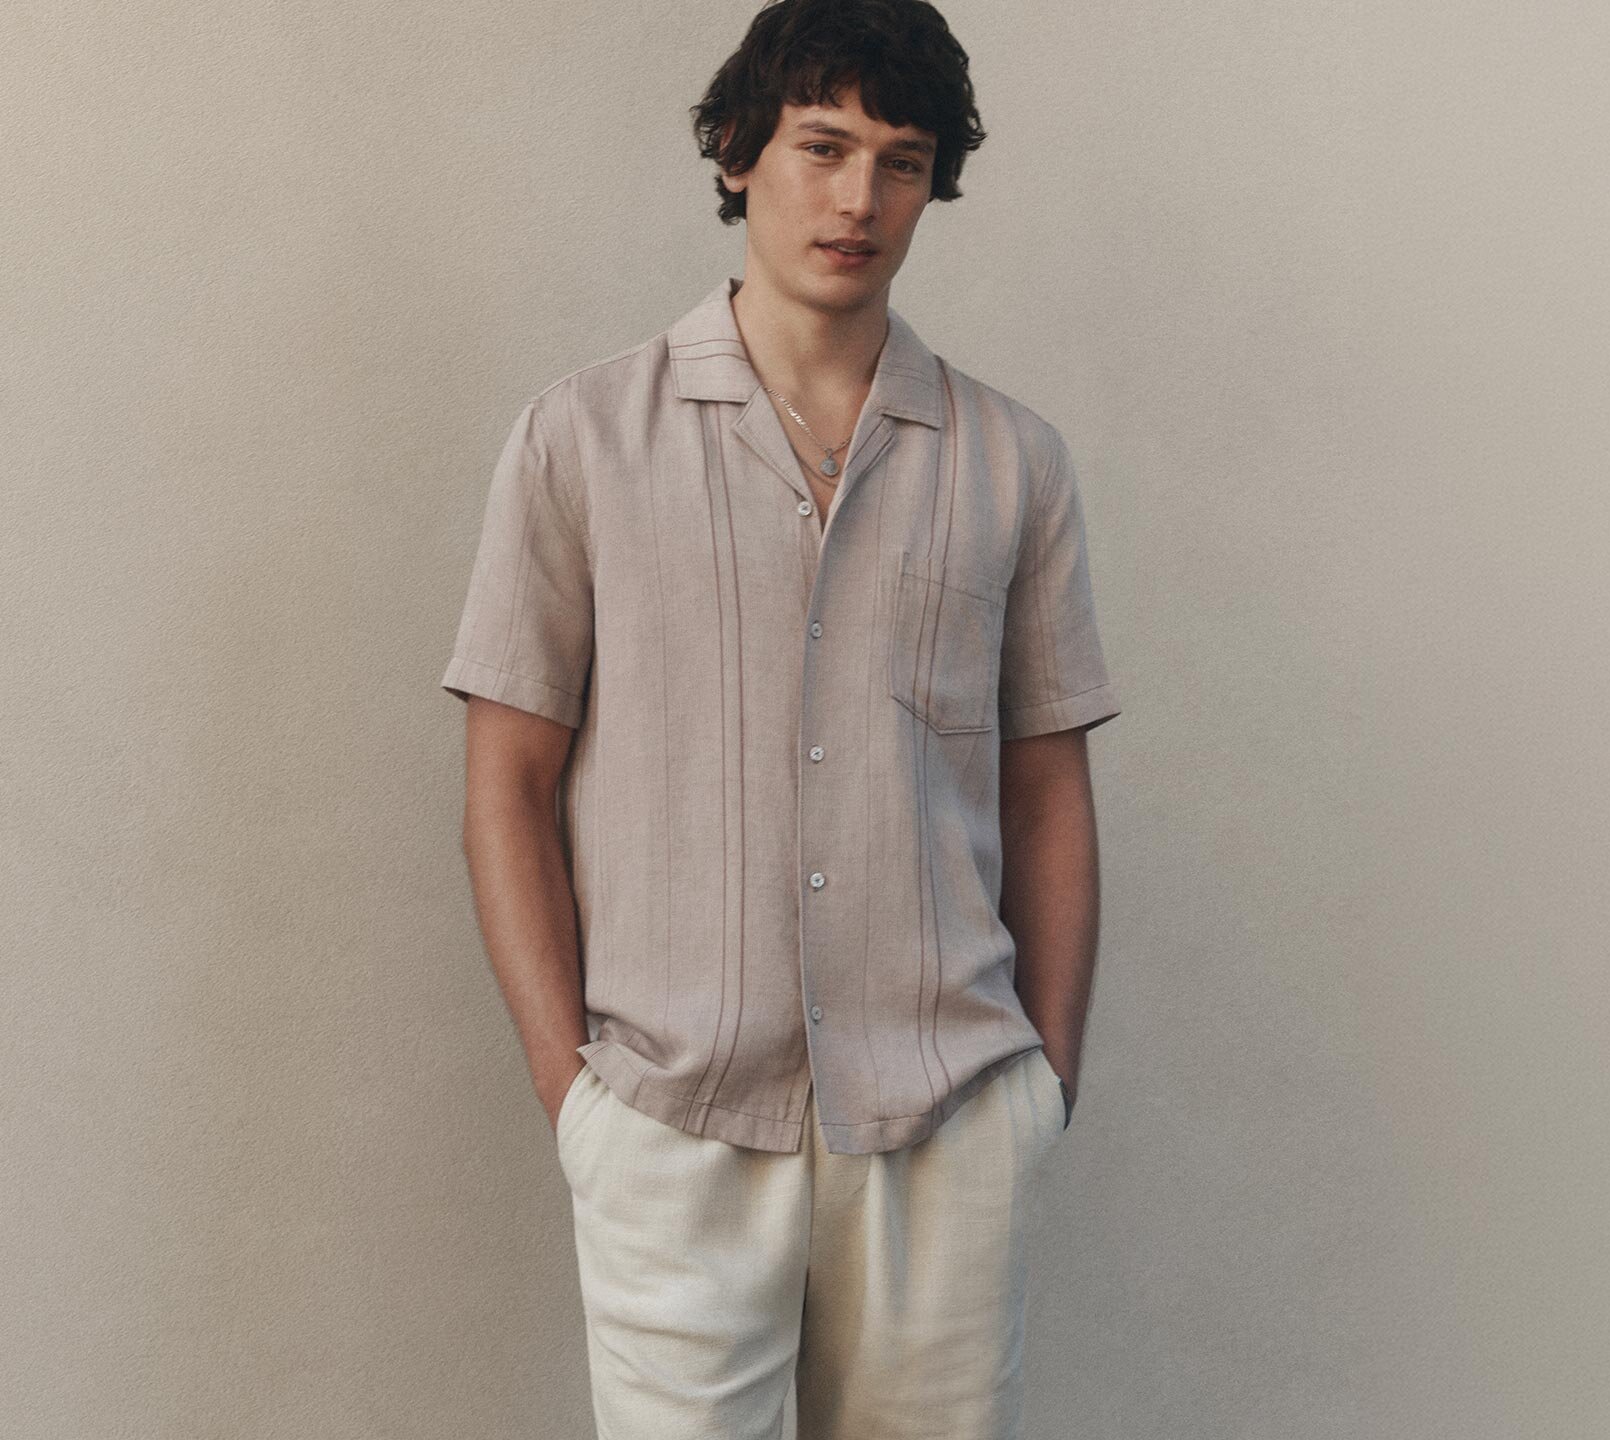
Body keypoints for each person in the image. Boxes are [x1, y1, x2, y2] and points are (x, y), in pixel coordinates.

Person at [440, 1, 1120, 1434]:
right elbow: (506, 780)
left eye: (900, 160)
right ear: (739, 153)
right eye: (822, 146)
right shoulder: (583, 438)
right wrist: (574, 1097)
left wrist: (1044, 1083)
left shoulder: (1013, 462)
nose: (858, 198)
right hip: (671, 1125)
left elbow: (1046, 787)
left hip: (946, 1120)